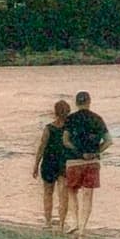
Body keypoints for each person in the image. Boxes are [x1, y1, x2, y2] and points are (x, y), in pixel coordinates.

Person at [61, 90, 111, 238]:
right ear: (89, 102)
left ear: (76, 103)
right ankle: (82, 229)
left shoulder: (70, 119)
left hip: (74, 161)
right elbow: (109, 141)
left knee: (72, 191)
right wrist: (97, 152)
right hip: (92, 161)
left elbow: (65, 141)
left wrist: (78, 152)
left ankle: (75, 222)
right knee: (88, 195)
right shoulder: (97, 119)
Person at [32, 98, 72, 229]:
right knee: (63, 194)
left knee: (48, 193)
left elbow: (41, 147)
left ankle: (48, 222)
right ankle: (61, 224)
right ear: (68, 112)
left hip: (49, 162)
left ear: (55, 112)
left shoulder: (49, 128)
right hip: (64, 163)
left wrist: (36, 165)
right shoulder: (70, 129)